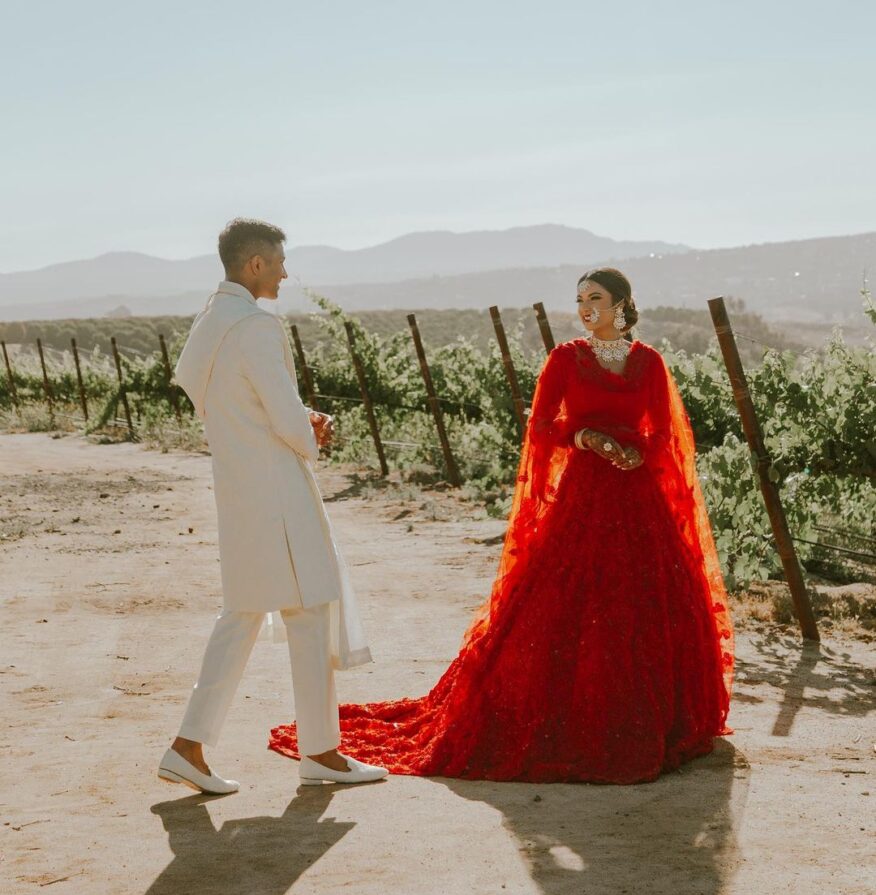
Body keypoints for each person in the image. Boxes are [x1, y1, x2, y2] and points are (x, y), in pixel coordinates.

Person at [269, 268, 733, 784]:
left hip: (639, 500)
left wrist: (633, 450)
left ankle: (655, 717)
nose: (584, 308)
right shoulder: (565, 359)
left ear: (621, 303)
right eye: (579, 299)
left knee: (644, 603)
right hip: (582, 499)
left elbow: (662, 431)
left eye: (595, 298)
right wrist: (587, 440)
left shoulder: (649, 363)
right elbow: (541, 425)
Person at [158, 218, 387, 793]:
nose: (286, 272)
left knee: (246, 612)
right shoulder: (257, 325)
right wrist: (313, 431)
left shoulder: (210, 322)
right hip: (278, 490)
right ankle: (320, 753)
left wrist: (286, 420)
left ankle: (194, 745)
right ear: (254, 265)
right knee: (308, 607)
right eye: (280, 262)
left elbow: (238, 399)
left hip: (237, 487)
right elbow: (283, 414)